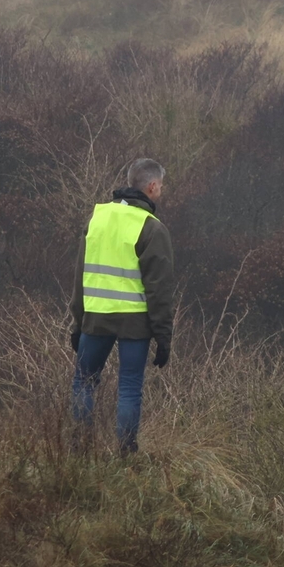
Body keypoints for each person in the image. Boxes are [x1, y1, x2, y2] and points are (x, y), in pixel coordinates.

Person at [69, 158, 174, 455]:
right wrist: (163, 337)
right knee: (129, 387)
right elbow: (160, 291)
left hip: (96, 317)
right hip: (134, 323)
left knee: (84, 381)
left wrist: (77, 322)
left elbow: (80, 276)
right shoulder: (153, 229)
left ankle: (78, 449)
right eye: (161, 187)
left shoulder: (96, 219)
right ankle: (126, 455)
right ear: (152, 187)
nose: (161, 192)